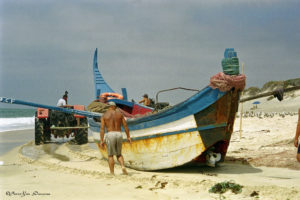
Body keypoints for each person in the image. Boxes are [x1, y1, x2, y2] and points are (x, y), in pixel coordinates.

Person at [100, 101, 131, 175]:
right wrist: (128, 137)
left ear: (109, 107)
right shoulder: (120, 114)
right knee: (119, 154)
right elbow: (125, 126)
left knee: (110, 155)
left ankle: (112, 173)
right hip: (119, 134)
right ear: (115, 107)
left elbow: (102, 129)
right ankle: (123, 166)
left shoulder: (104, 115)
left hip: (110, 134)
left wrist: (101, 140)